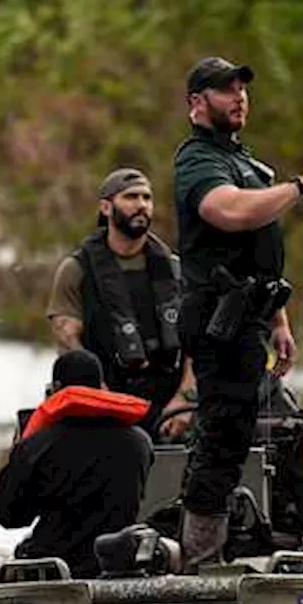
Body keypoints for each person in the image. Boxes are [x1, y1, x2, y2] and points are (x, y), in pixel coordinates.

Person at [172, 55, 303, 571]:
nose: (240, 98)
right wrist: (298, 186)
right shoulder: (198, 160)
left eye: (243, 90)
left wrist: (280, 323)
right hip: (215, 320)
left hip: (250, 320)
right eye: (226, 91)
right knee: (222, 435)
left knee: (236, 431)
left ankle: (216, 549)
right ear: (197, 104)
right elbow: (228, 212)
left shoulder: (246, 162)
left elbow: (260, 253)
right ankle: (202, 559)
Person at [46, 168, 197, 441]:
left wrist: (185, 400)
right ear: (106, 207)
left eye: (147, 198)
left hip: (170, 404)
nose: (141, 204)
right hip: (103, 402)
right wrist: (100, 399)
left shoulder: (174, 269)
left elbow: (197, 344)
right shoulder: (76, 270)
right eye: (130, 197)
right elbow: (68, 342)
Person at [0, 349, 155, 578]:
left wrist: (12, 456)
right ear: (102, 387)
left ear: (55, 389)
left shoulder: (38, 445)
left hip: (54, 566)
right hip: (116, 562)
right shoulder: (140, 442)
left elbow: (9, 516)